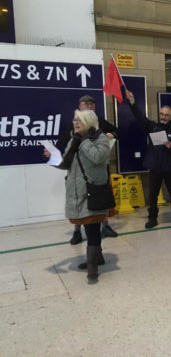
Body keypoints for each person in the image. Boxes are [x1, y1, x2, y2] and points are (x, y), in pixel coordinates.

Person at [45, 95, 119, 244]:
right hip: (77, 176)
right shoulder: (72, 131)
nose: (91, 107)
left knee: (97, 207)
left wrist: (110, 134)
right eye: (87, 105)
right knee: (79, 207)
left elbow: (103, 149)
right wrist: (53, 156)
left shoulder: (100, 129)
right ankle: (77, 232)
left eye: (92, 105)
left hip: (95, 177)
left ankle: (104, 229)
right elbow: (64, 155)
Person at [59, 109, 111, 282]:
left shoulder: (101, 138)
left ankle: (92, 268)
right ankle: (98, 257)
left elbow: (98, 157)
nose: (75, 123)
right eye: (74, 120)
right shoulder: (74, 139)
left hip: (92, 191)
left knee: (92, 228)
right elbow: (65, 162)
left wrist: (83, 141)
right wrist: (53, 158)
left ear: (88, 122)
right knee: (88, 227)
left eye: (79, 120)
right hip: (76, 192)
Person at [125, 90, 171, 228]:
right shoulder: (152, 126)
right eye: (161, 114)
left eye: (166, 115)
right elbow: (140, 118)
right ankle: (152, 218)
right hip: (155, 167)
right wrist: (132, 102)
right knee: (152, 195)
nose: (163, 116)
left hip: (170, 167)